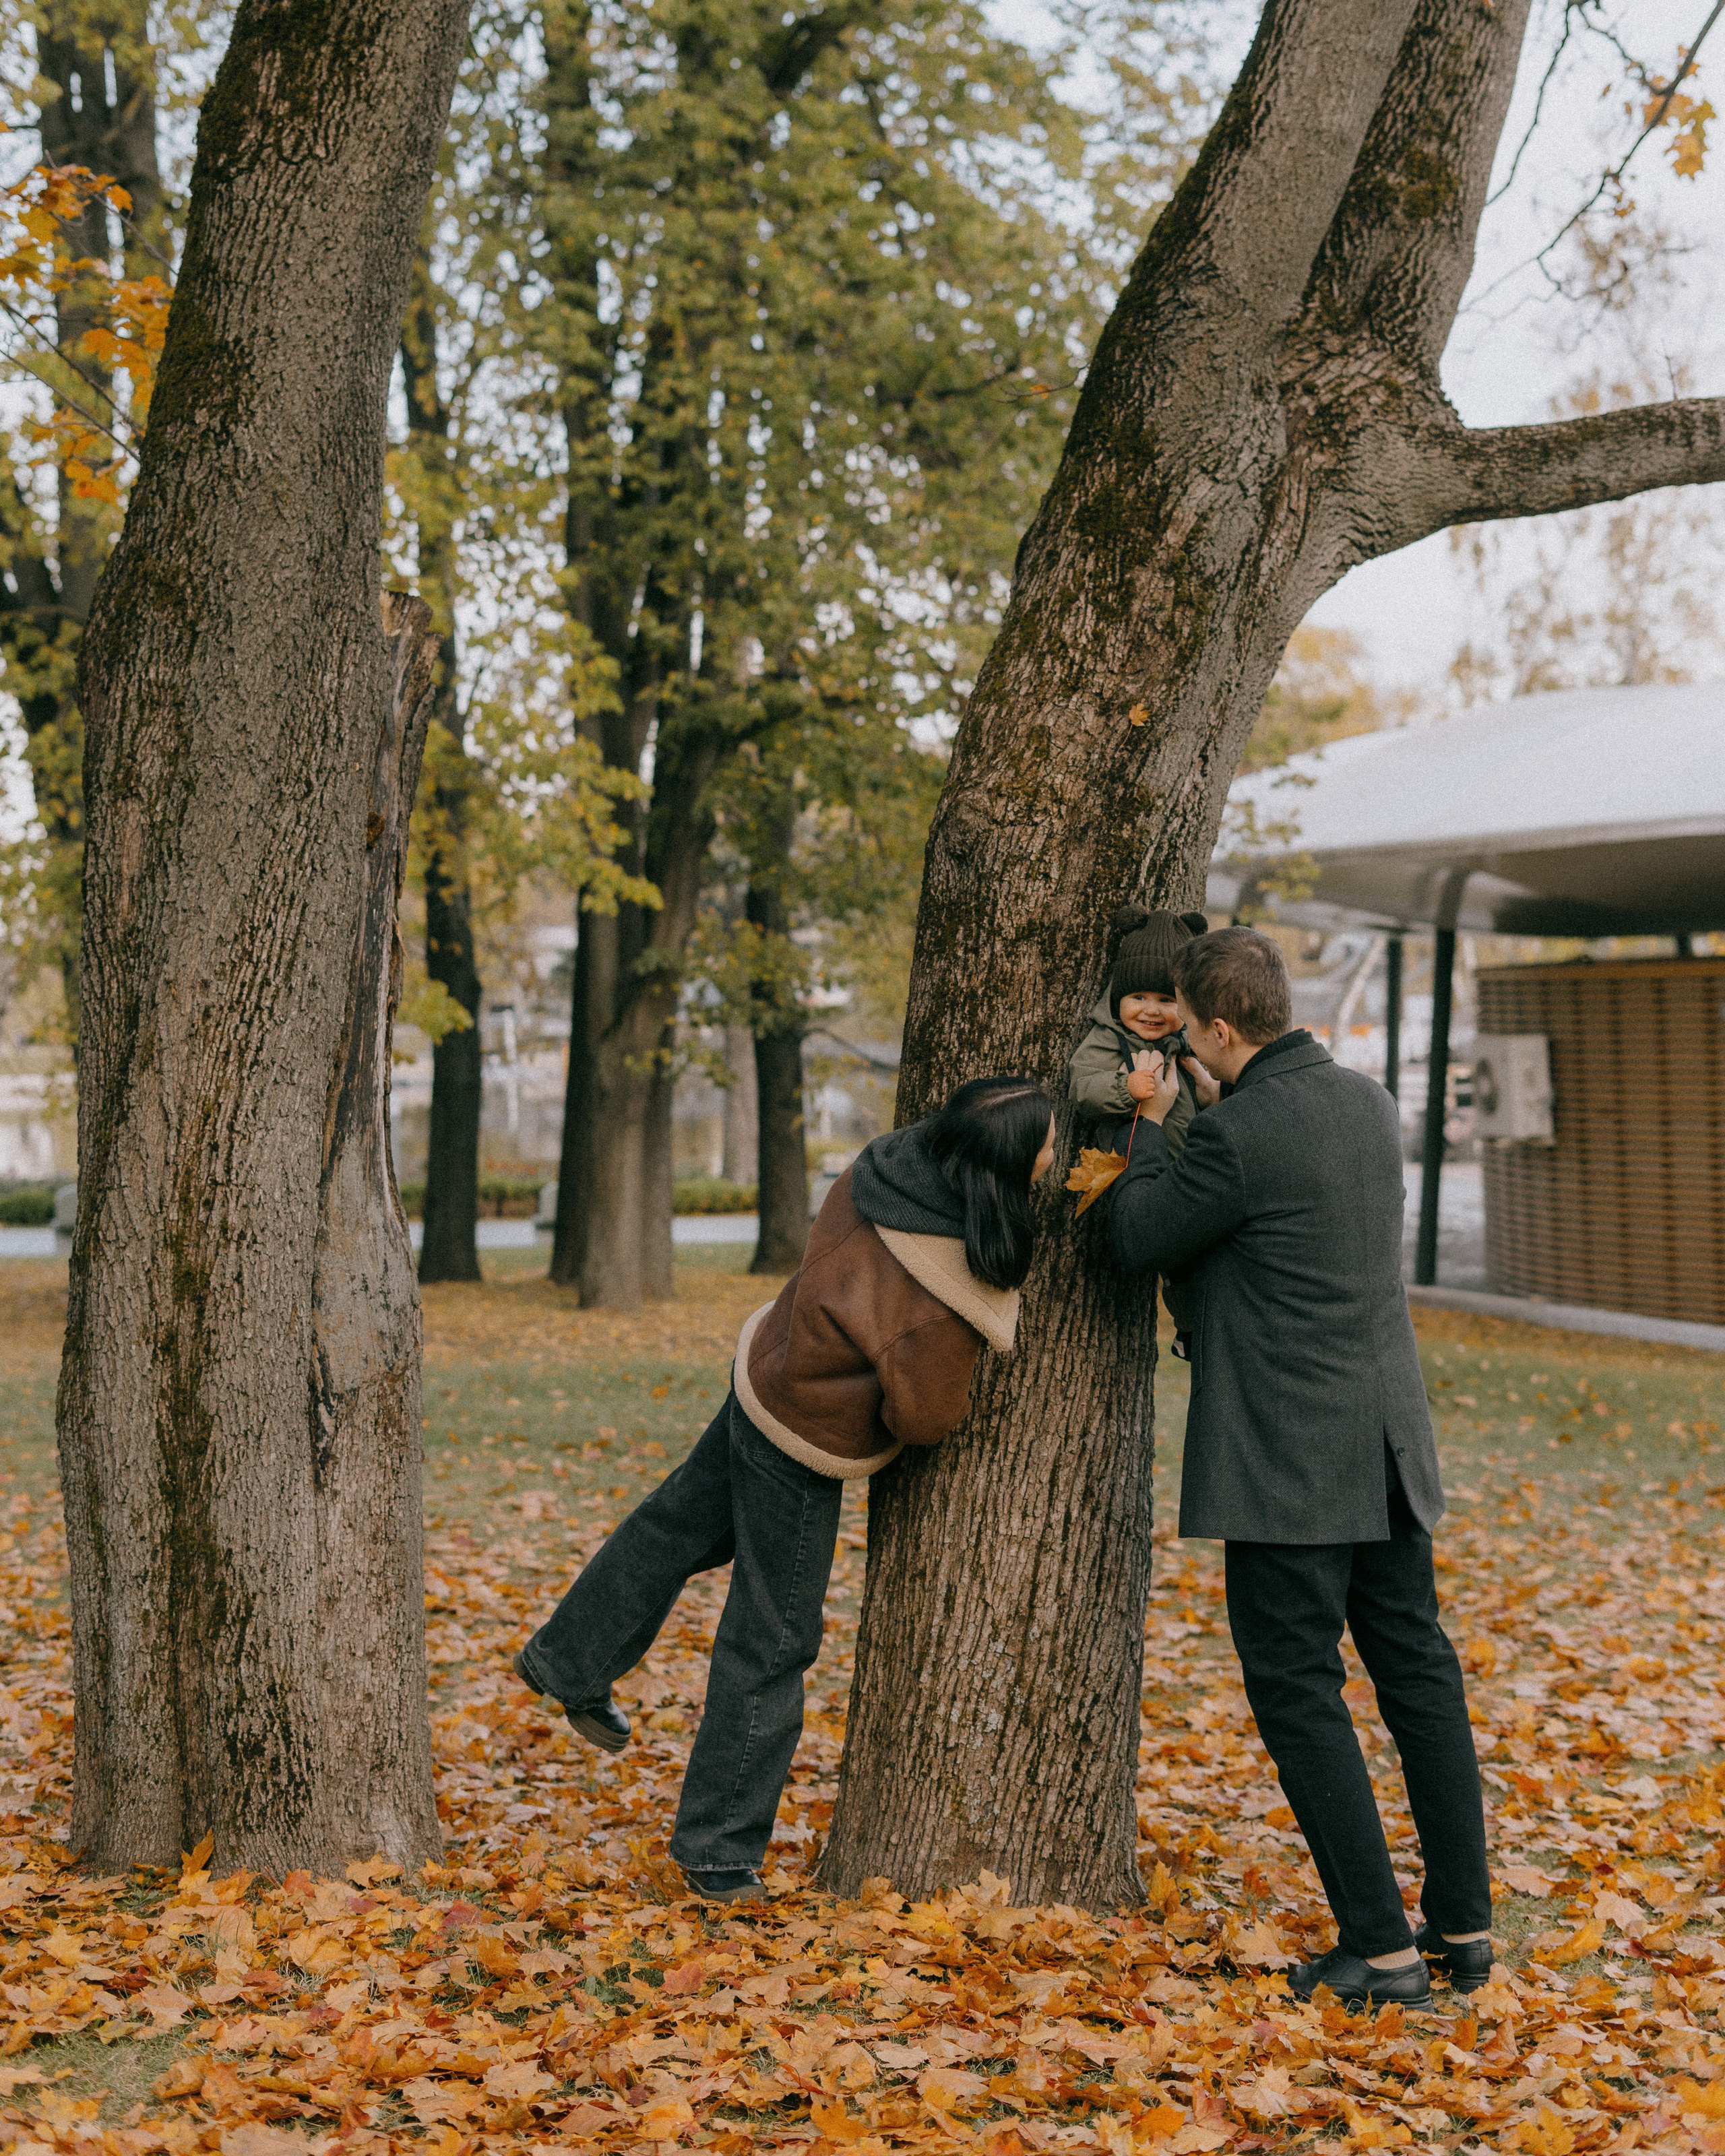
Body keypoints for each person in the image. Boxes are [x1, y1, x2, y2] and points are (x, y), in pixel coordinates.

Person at [513, 1076, 1057, 1904]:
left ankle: (567, 1657)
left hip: (763, 1369)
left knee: (674, 1527)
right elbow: (925, 1418)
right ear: (1006, 1168)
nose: (1059, 1151)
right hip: (807, 1435)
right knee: (772, 1636)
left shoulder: (888, 1168)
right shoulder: (941, 1294)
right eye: (1048, 1142)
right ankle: (719, 1849)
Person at [1104, 927, 1491, 2009]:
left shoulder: (1235, 1136)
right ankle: (1463, 1924)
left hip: (1290, 1457)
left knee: (1296, 1686)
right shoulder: (1366, 1102)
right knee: (1416, 1674)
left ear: (1221, 1028)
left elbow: (1137, 1237)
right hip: (1385, 1442)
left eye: (1187, 1027)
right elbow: (1289, 1234)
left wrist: (1146, 1123)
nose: (1177, 1040)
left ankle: (1378, 1947)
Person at [1069, 905, 1216, 1356]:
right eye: (1139, 999)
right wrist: (1125, 1087)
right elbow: (1084, 1085)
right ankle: (1193, 1326)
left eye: (1167, 1000)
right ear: (1118, 1000)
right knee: (1169, 1251)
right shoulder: (1108, 1038)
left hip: (1181, 1164)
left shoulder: (1186, 1043)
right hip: (1129, 1166)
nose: (1152, 1011)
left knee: (1194, 1257)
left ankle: (1195, 1328)